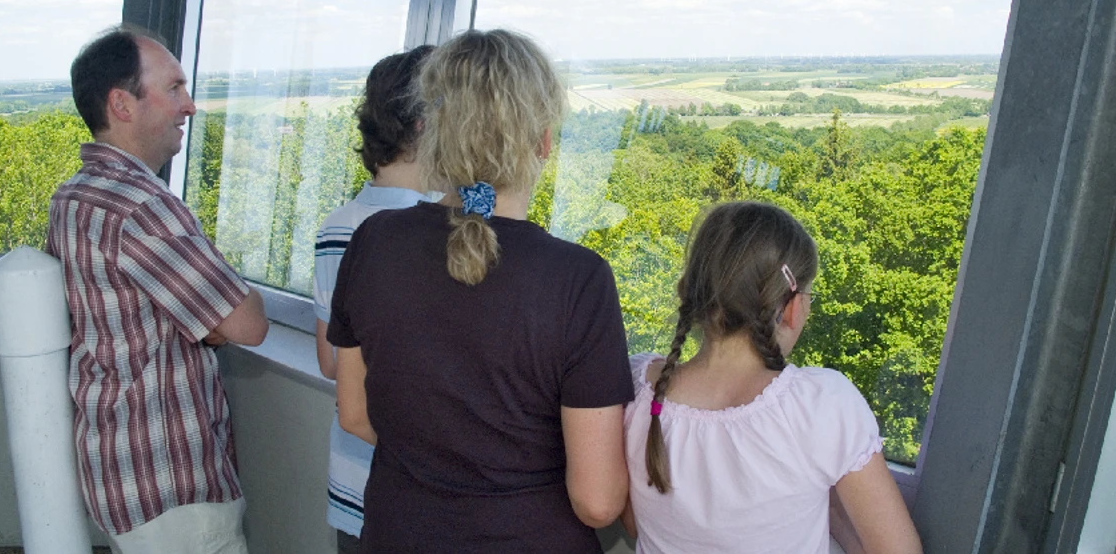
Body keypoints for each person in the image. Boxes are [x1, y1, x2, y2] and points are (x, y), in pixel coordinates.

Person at [326, 29, 633, 553]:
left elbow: (354, 412)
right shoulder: (576, 279)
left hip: (399, 533)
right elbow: (598, 502)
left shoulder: (372, 241)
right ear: (542, 141)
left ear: (434, 131)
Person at [46, 25, 268, 554]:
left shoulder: (75, 196)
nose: (188, 106)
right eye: (174, 89)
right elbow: (247, 324)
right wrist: (220, 312)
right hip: (171, 485)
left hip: (118, 467)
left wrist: (204, 317)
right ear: (122, 104)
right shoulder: (141, 205)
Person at [622, 202, 922, 554]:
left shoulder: (637, 388)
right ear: (793, 309)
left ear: (688, 291)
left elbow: (635, 523)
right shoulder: (821, 404)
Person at [311, 44, 434, 553]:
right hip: (422, 485)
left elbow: (330, 360)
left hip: (354, 482)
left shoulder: (337, 226)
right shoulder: (444, 235)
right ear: (426, 123)